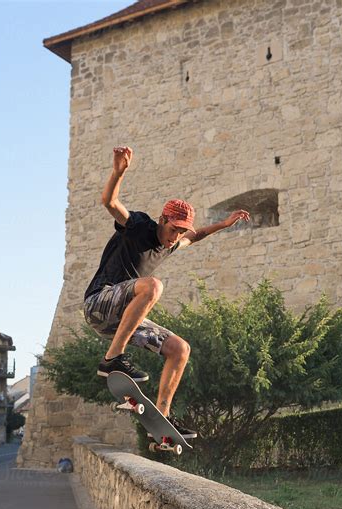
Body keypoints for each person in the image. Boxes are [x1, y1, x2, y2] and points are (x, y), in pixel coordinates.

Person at [83, 146, 250, 439]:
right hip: (99, 303)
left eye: (180, 231)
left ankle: (162, 419)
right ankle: (112, 361)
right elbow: (109, 202)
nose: (175, 236)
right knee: (154, 286)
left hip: (121, 321)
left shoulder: (173, 244)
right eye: (173, 229)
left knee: (180, 350)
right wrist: (118, 172)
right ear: (162, 220)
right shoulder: (138, 226)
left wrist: (223, 224)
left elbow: (195, 236)